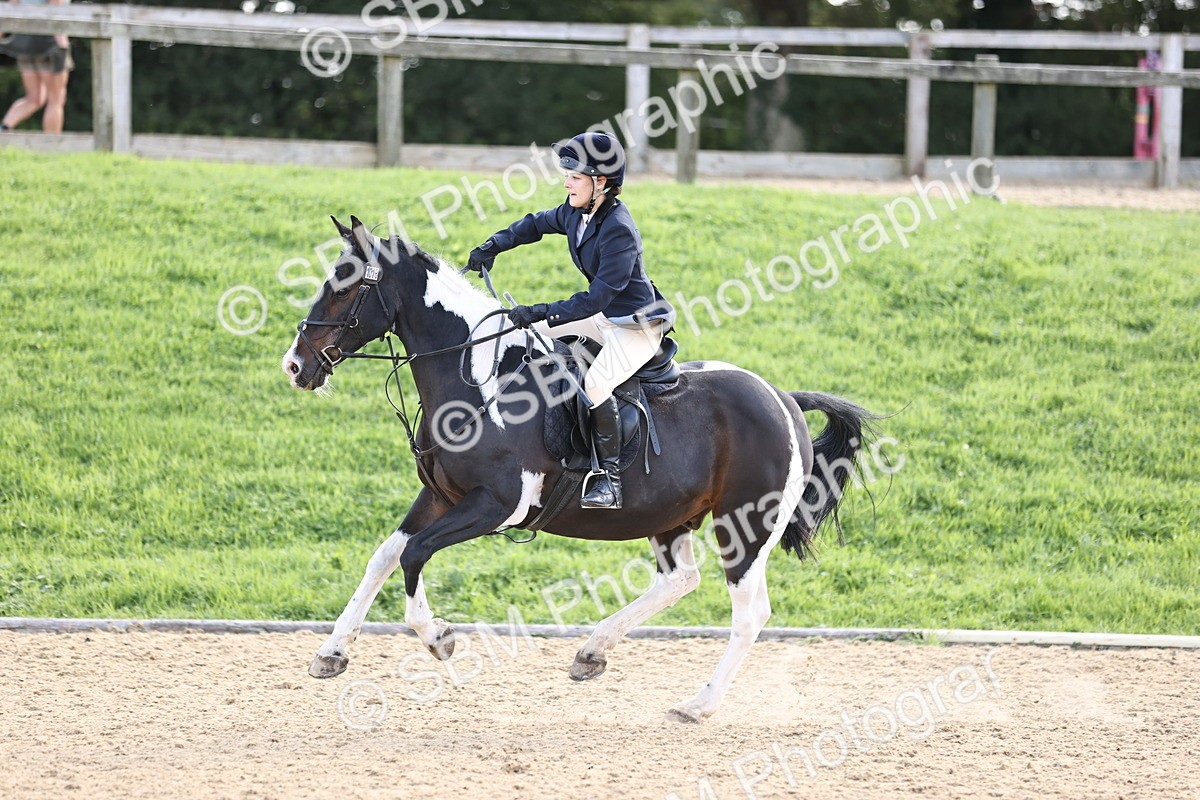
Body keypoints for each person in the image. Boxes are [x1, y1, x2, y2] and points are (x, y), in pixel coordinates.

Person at [467, 131, 675, 510]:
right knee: (527, 334)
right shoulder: (576, 212)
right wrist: (493, 245)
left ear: (601, 183)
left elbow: (596, 298)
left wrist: (539, 309)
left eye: (575, 177)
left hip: (636, 325)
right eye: (567, 176)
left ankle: (609, 479)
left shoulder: (619, 230)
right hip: (605, 317)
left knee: (595, 385)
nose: (566, 184)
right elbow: (535, 224)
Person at [0, 0, 72, 134]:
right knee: (56, 100)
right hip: (49, 43)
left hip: (24, 43)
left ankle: (3, 130)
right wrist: (61, 46)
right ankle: (52, 143)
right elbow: (56, 10)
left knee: (34, 98)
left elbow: (11, 6)